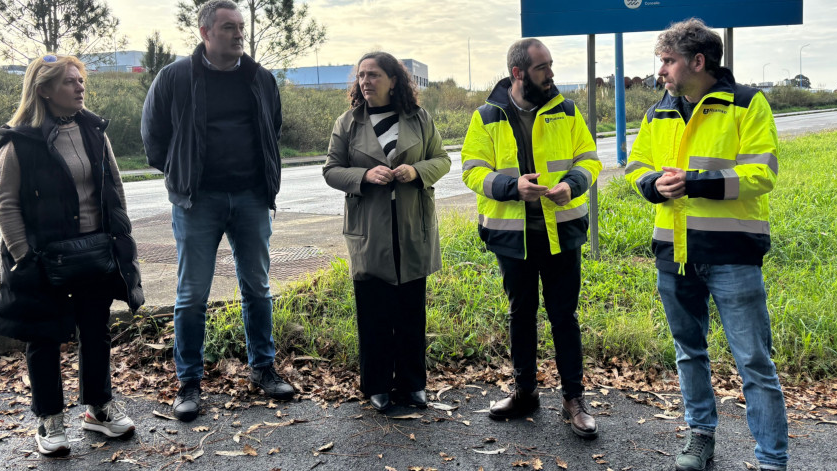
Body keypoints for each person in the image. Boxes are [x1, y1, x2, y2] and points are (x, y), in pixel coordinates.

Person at [624, 18, 789, 471]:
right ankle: (701, 436)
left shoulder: (747, 104)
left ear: (698, 61)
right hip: (673, 254)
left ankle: (772, 460)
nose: (661, 71)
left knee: (754, 361)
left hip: (732, 256)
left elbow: (762, 174)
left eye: (668, 61)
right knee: (688, 351)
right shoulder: (660, 109)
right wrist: (653, 185)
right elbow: (636, 162)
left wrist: (694, 183)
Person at [141, 0, 293, 422]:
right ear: (206, 33)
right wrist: (183, 173)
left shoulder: (260, 78)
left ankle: (263, 368)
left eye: (240, 26)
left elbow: (272, 127)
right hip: (197, 201)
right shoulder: (175, 77)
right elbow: (153, 136)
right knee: (191, 295)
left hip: (250, 198)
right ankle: (189, 382)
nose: (238, 33)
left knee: (258, 287)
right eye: (228, 27)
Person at [0, 54, 144, 457]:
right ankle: (49, 418)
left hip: (94, 253)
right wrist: (24, 257)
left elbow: (114, 188)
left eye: (81, 80)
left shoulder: (95, 132)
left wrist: (120, 240)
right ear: (43, 89)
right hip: (41, 259)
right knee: (44, 336)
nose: (80, 87)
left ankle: (98, 409)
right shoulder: (19, 141)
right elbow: (5, 204)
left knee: (96, 330)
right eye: (69, 82)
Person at [460, 38, 602, 438]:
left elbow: (589, 159)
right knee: (520, 315)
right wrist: (511, 187)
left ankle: (574, 400)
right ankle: (526, 394)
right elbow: (472, 170)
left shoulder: (567, 110)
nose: (551, 74)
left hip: (562, 232)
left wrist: (572, 184)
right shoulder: (486, 117)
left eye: (551, 65)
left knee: (564, 317)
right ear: (518, 73)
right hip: (512, 237)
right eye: (543, 67)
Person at [323, 52, 451, 412]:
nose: (366, 81)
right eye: (361, 75)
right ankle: (377, 385)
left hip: (412, 228)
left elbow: (442, 159)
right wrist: (363, 176)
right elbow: (331, 170)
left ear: (393, 80)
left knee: (411, 312)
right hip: (369, 231)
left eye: (374, 75)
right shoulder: (348, 122)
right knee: (374, 312)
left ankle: (413, 384)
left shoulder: (419, 118)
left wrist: (416, 172)